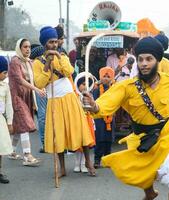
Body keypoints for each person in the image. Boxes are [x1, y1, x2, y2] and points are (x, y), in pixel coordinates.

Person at [82, 37, 169, 200]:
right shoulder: (127, 87)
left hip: (167, 140)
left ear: (158, 60)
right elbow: (105, 103)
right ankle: (149, 193)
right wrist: (93, 105)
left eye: (149, 59)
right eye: (141, 59)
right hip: (142, 142)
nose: (144, 63)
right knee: (144, 177)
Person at [33, 26, 96, 177]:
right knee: (58, 133)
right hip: (54, 100)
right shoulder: (37, 62)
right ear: (44, 44)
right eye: (50, 42)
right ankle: (62, 168)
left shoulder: (63, 55)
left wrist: (59, 58)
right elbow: (40, 83)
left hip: (69, 97)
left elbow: (70, 71)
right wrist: (47, 64)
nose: (54, 45)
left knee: (79, 128)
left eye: (55, 41)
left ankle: (88, 162)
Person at [8, 38, 45, 166]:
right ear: (19, 48)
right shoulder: (15, 61)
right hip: (16, 97)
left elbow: (34, 78)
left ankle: (11, 150)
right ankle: (27, 155)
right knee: (24, 124)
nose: (28, 49)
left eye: (29, 47)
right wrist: (36, 89)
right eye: (25, 47)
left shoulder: (29, 62)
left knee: (19, 126)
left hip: (27, 96)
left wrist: (41, 86)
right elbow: (20, 80)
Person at [93, 66, 115, 168]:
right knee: (99, 138)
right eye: (104, 76)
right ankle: (97, 160)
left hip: (110, 116)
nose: (106, 78)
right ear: (100, 77)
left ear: (112, 78)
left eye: (108, 76)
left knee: (108, 139)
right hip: (99, 117)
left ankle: (108, 159)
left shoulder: (114, 88)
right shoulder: (96, 88)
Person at [73, 76, 96, 173]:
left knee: (86, 143)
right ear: (78, 85)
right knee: (78, 144)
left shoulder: (89, 95)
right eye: (83, 84)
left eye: (86, 84)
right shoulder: (74, 96)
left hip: (87, 120)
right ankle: (77, 163)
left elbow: (93, 108)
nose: (85, 86)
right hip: (77, 120)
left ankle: (83, 163)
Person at [0, 56, 13, 183]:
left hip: (0, 121)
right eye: (4, 72)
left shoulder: (5, 86)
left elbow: (9, 105)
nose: (6, 75)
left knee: (1, 148)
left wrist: (9, 122)